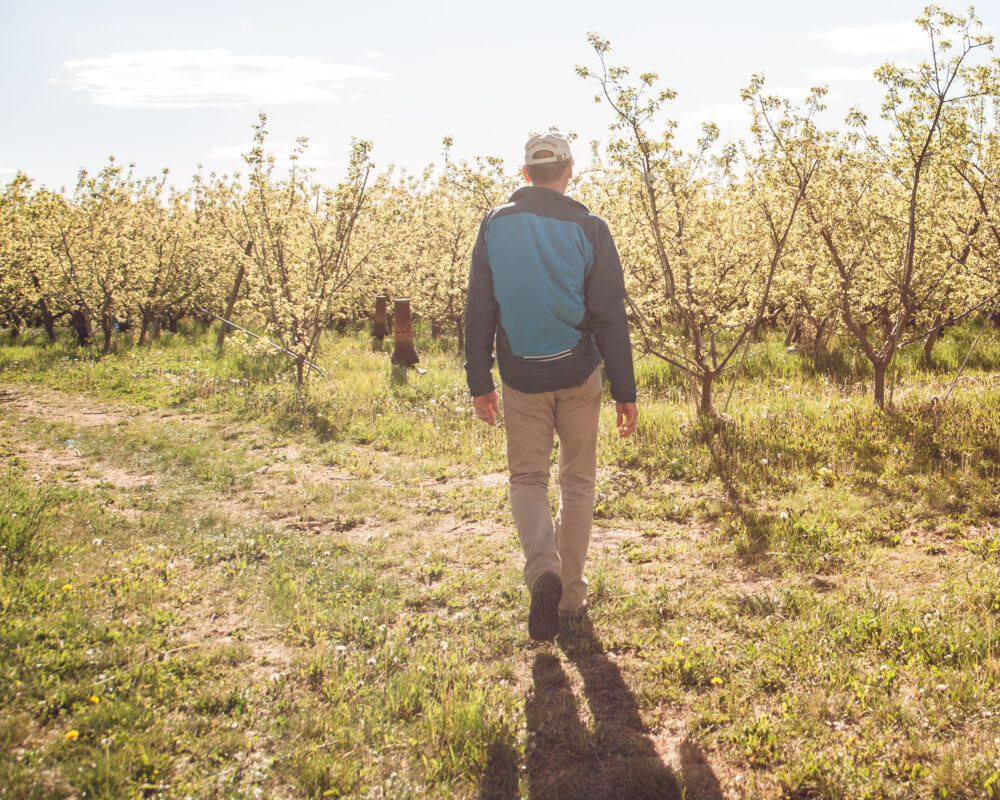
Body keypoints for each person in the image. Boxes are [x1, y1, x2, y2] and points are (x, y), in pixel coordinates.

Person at [464, 132, 638, 642]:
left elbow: (479, 308)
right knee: (577, 483)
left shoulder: (495, 225)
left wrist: (480, 381)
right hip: (579, 373)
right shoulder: (591, 227)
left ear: (524, 175)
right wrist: (626, 391)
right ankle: (570, 598)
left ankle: (543, 568)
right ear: (570, 170)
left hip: (520, 376)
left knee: (526, 480)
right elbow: (609, 317)